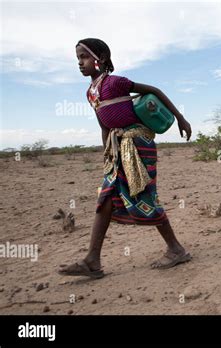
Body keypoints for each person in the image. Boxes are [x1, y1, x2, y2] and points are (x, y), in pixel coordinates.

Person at [59, 38, 192, 279]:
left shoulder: (116, 83)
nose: (80, 63)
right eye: (78, 58)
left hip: (138, 145)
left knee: (144, 196)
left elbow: (154, 91)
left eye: (84, 57)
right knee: (106, 197)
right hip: (117, 148)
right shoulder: (91, 93)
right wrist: (106, 155)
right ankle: (92, 260)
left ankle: (176, 249)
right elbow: (104, 126)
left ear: (100, 58)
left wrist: (181, 118)